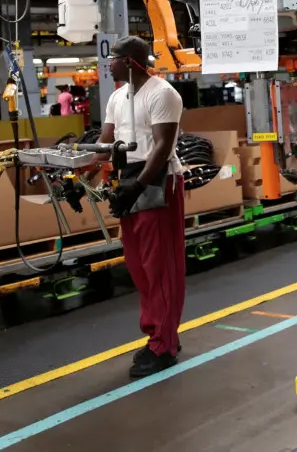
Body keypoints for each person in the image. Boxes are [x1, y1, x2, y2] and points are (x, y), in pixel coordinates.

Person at [95, 36, 186, 378]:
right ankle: (158, 334)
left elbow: (162, 148)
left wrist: (138, 187)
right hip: (128, 184)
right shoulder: (117, 97)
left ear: (132, 61)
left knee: (160, 267)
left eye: (114, 58)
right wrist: (74, 170)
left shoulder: (162, 93)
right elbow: (104, 144)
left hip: (156, 182)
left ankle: (164, 345)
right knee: (138, 266)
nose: (109, 64)